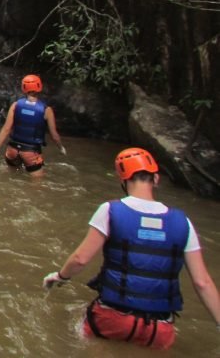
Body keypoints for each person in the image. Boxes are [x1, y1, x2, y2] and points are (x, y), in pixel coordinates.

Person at [42, 148, 220, 349]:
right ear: (156, 178)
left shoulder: (110, 210)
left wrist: (61, 276)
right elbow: (202, 282)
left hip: (112, 317)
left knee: (77, 333)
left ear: (122, 178)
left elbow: (80, 259)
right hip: (158, 328)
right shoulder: (183, 222)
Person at [0, 74, 66, 174]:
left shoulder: (15, 105)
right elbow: (54, 136)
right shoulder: (46, 110)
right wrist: (61, 148)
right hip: (31, 153)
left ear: (24, 88)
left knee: (11, 176)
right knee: (37, 186)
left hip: (12, 151)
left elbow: (6, 129)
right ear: (39, 87)